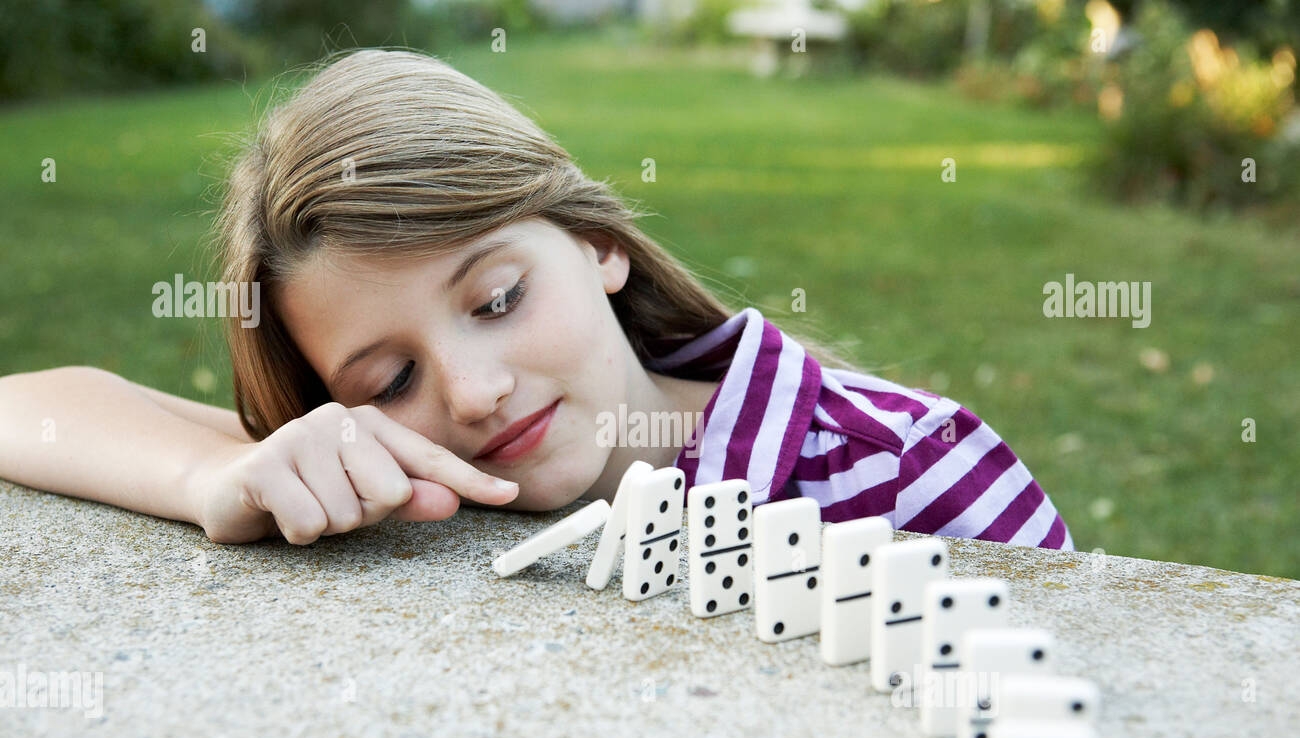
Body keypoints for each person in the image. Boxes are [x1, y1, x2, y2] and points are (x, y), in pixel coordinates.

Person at [0, 49, 1071, 551]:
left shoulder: (903, 467)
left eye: (500, 297)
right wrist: (218, 474)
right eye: (391, 376)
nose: (471, 392)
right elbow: (25, 406)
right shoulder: (402, 472)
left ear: (597, 242)